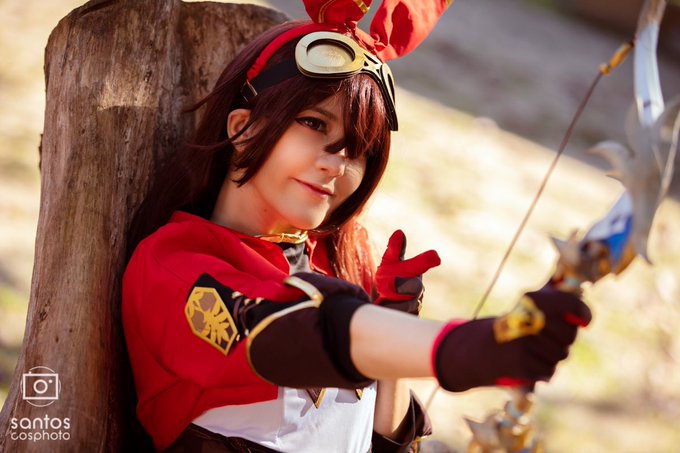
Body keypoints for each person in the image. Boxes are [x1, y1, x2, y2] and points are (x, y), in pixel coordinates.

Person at [122, 1, 592, 452]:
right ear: (243, 128)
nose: (338, 164)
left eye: (359, 148)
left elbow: (379, 439)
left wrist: (396, 328)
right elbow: (294, 334)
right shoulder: (171, 264)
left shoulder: (342, 263)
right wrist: (461, 347)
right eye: (314, 123)